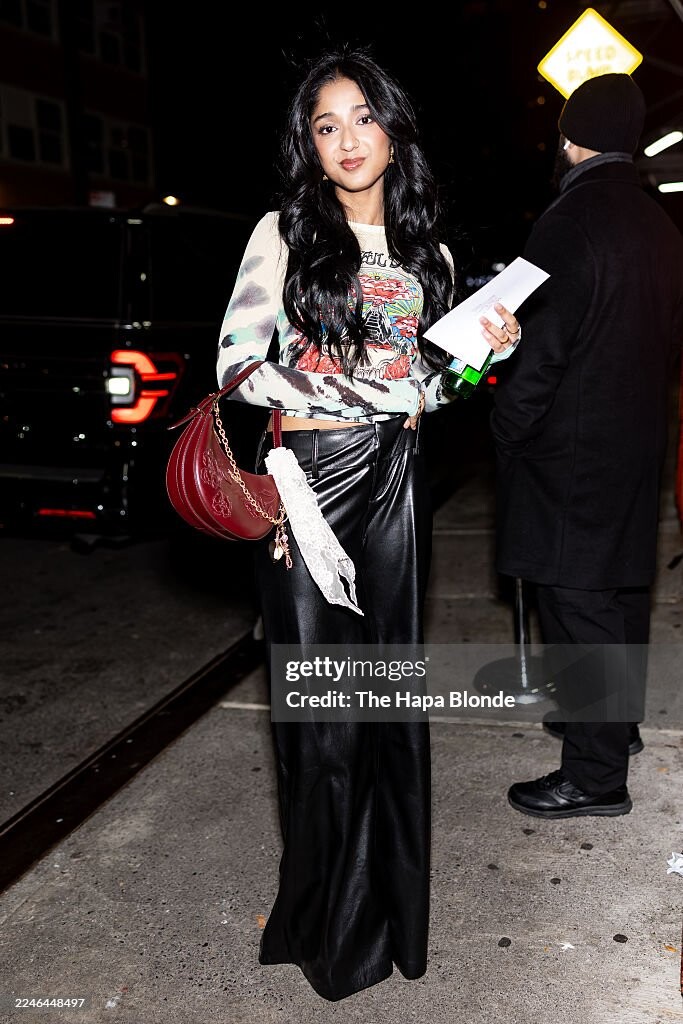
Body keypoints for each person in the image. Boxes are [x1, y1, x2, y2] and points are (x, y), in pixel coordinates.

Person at [215, 46, 520, 1001]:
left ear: (393, 130)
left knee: (386, 709)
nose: (346, 140)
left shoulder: (432, 254)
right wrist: (372, 396)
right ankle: (327, 927)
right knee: (321, 719)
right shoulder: (282, 232)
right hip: (307, 486)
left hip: (395, 486)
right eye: (325, 125)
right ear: (308, 145)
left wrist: (482, 356)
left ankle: (386, 915)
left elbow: (435, 388)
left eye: (362, 118)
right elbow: (238, 369)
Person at [490, 72, 683, 820]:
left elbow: (540, 348)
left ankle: (596, 777)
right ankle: (611, 723)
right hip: (635, 440)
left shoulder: (567, 221)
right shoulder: (660, 225)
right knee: (619, 590)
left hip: (571, 449)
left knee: (576, 601)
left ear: (570, 139)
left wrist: (508, 429)